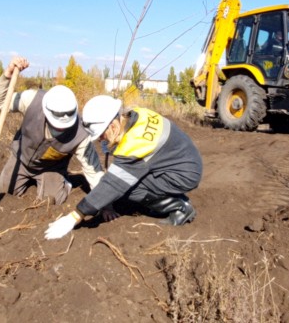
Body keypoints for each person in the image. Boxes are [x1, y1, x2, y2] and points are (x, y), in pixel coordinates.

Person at [44, 95, 203, 240]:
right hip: (182, 159)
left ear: (112, 126)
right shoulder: (136, 115)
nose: (100, 140)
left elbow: (113, 184)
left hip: (184, 173)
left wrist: (75, 215)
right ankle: (169, 198)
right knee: (128, 182)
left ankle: (180, 208)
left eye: (101, 135)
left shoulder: (136, 143)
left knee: (129, 188)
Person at [0, 56, 104, 205]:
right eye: (56, 124)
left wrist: (105, 205)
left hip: (51, 168)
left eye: (65, 125)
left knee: (53, 200)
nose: (61, 128)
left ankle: (64, 183)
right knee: (3, 192)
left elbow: (93, 171)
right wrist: (6, 76)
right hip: (20, 158)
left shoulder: (81, 135)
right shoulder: (32, 99)